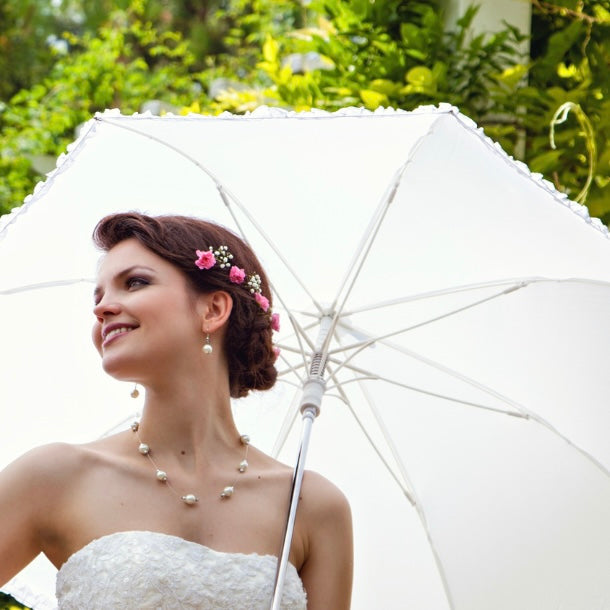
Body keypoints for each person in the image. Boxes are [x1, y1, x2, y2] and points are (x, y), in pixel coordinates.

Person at [0, 212, 353, 609]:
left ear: (214, 310)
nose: (103, 309)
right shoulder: (53, 476)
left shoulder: (311, 506)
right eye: (97, 297)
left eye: (134, 283)